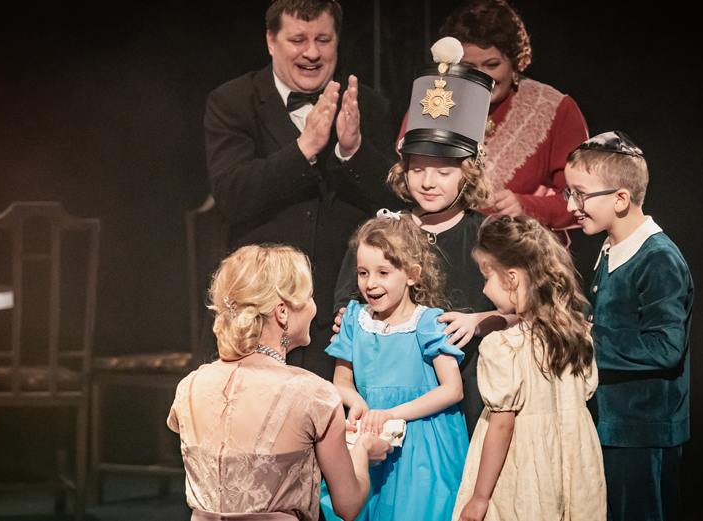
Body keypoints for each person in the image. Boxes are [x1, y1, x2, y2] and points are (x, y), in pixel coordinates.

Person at [204, 0, 399, 380]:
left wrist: (354, 151)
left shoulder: (369, 105)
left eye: (323, 40)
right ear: (271, 41)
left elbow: (394, 206)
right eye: (298, 40)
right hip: (256, 320)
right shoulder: (232, 102)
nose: (312, 53)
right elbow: (232, 196)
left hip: (344, 322)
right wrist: (303, 148)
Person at [333, 38, 514, 436]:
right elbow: (347, 302)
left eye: (444, 172)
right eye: (417, 170)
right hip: (387, 396)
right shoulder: (384, 231)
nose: (428, 182)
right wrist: (348, 318)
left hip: (466, 395)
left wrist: (480, 321)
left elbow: (532, 309)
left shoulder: (488, 235)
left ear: (468, 174)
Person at [168, 245, 392, 521]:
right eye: (309, 297)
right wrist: (363, 450)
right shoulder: (314, 394)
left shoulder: (190, 385)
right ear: (282, 312)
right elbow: (348, 506)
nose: (314, 308)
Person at [563, 131, 693, 521]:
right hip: (613, 425)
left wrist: (587, 340)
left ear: (620, 198)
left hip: (642, 432)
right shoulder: (611, 247)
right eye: (569, 193)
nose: (570, 206)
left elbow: (666, 347)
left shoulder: (658, 258)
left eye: (580, 195)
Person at [453, 215, 606, 521]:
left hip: (526, 470)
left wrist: (480, 498)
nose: (484, 291)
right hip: (574, 467)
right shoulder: (577, 335)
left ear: (512, 279)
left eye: (487, 277)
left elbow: (502, 426)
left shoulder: (504, 347)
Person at [321, 212, 469, 521]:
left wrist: (391, 413)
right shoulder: (354, 319)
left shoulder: (427, 322)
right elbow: (341, 381)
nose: (371, 283)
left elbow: (452, 390)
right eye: (363, 273)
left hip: (422, 444)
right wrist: (358, 403)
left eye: (383, 273)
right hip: (371, 433)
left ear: (412, 274)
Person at [399, 0, 587, 240]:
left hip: (522, 250)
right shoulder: (436, 98)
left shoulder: (557, 109)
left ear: (515, 62)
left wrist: (527, 207)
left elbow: (583, 198)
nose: (482, 77)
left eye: (492, 65)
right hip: (442, 243)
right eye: (469, 66)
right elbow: (404, 174)